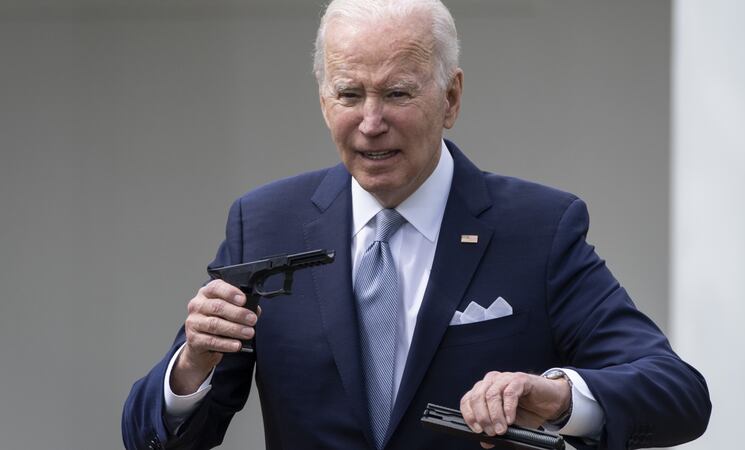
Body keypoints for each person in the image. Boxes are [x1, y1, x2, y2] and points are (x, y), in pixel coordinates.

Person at [122, 1, 711, 449]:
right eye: (349, 93)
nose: (371, 122)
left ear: (450, 98)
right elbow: (155, 436)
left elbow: (677, 393)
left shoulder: (539, 228)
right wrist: (193, 365)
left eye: (398, 93)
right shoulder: (265, 222)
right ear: (324, 100)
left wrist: (557, 397)